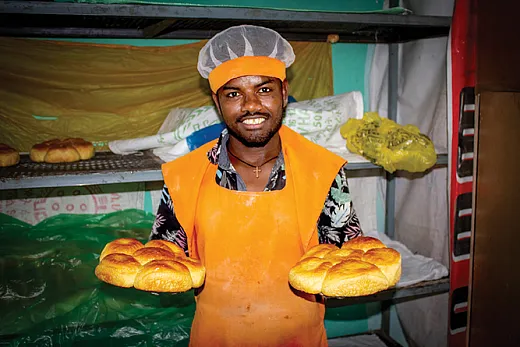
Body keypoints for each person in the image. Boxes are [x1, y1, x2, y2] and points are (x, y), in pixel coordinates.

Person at [150, 25, 363, 347]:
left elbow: (347, 259)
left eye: (264, 90)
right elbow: (165, 261)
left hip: (299, 338)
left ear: (283, 92)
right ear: (216, 101)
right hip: (216, 338)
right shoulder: (184, 175)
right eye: (234, 93)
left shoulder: (324, 170)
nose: (251, 106)